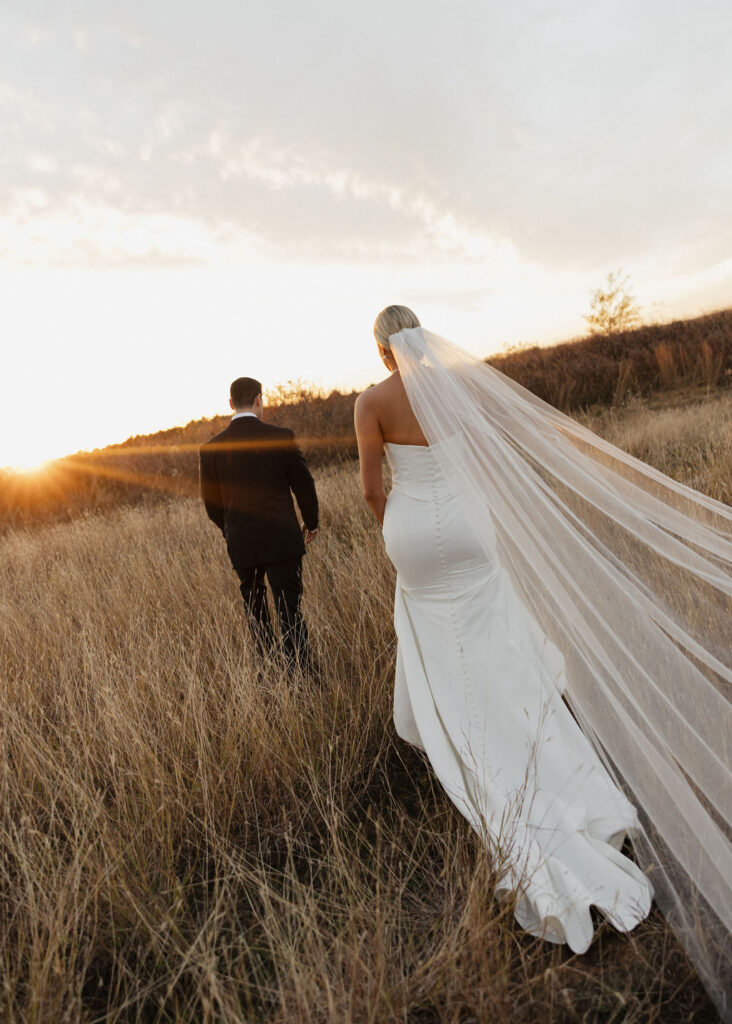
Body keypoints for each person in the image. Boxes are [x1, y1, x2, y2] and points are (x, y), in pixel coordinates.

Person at [355, 305, 732, 1016]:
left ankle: (476, 758)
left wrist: (400, 532)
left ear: (380, 350)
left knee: (446, 655)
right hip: (467, 526)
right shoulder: (457, 390)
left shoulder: (370, 402)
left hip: (414, 541)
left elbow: (374, 488)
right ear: (421, 338)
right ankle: (548, 770)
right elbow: (491, 465)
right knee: (499, 650)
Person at [200, 376, 319, 672]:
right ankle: (302, 677)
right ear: (258, 400)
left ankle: (268, 674)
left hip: (241, 543)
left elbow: (211, 506)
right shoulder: (281, 436)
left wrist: (230, 530)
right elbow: (303, 485)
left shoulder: (211, 449)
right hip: (283, 539)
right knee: (290, 611)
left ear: (230, 404)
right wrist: (311, 521)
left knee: (256, 613)